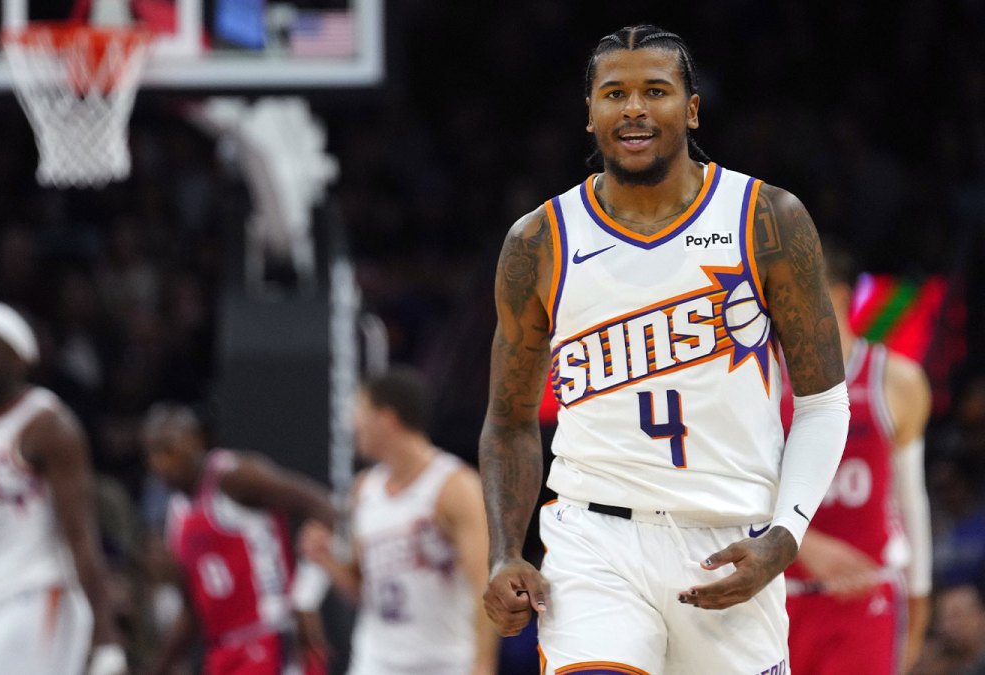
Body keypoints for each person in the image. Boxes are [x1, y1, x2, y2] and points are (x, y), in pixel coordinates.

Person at [478, 24, 851, 674]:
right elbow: (508, 419)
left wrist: (786, 534)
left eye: (656, 90)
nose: (634, 108)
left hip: (732, 538)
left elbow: (823, 404)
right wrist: (506, 549)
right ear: (589, 112)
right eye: (614, 93)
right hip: (593, 537)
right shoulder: (538, 240)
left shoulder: (767, 219)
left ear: (692, 107)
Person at [0, 301, 126, 675]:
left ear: (20, 360)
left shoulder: (49, 424)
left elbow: (82, 534)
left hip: (36, 595)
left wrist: (107, 633)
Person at [785, 239, 933, 674]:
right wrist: (802, 543)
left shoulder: (897, 380)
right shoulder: (760, 381)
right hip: (777, 595)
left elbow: (911, 499)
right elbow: (736, 492)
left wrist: (920, 595)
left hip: (866, 598)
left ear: (838, 295)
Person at [302, 367, 497, 675]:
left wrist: (483, 662)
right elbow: (362, 588)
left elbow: (484, 582)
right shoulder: (364, 489)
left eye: (360, 410)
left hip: (445, 661)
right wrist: (326, 558)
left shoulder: (454, 486)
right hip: (377, 661)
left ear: (387, 418)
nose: (352, 423)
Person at [141, 403, 336, 675]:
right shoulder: (175, 512)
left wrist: (306, 596)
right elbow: (193, 609)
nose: (161, 463)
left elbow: (325, 508)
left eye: (169, 450)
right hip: (222, 652)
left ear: (196, 440)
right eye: (152, 453)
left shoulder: (236, 477)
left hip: (272, 637)